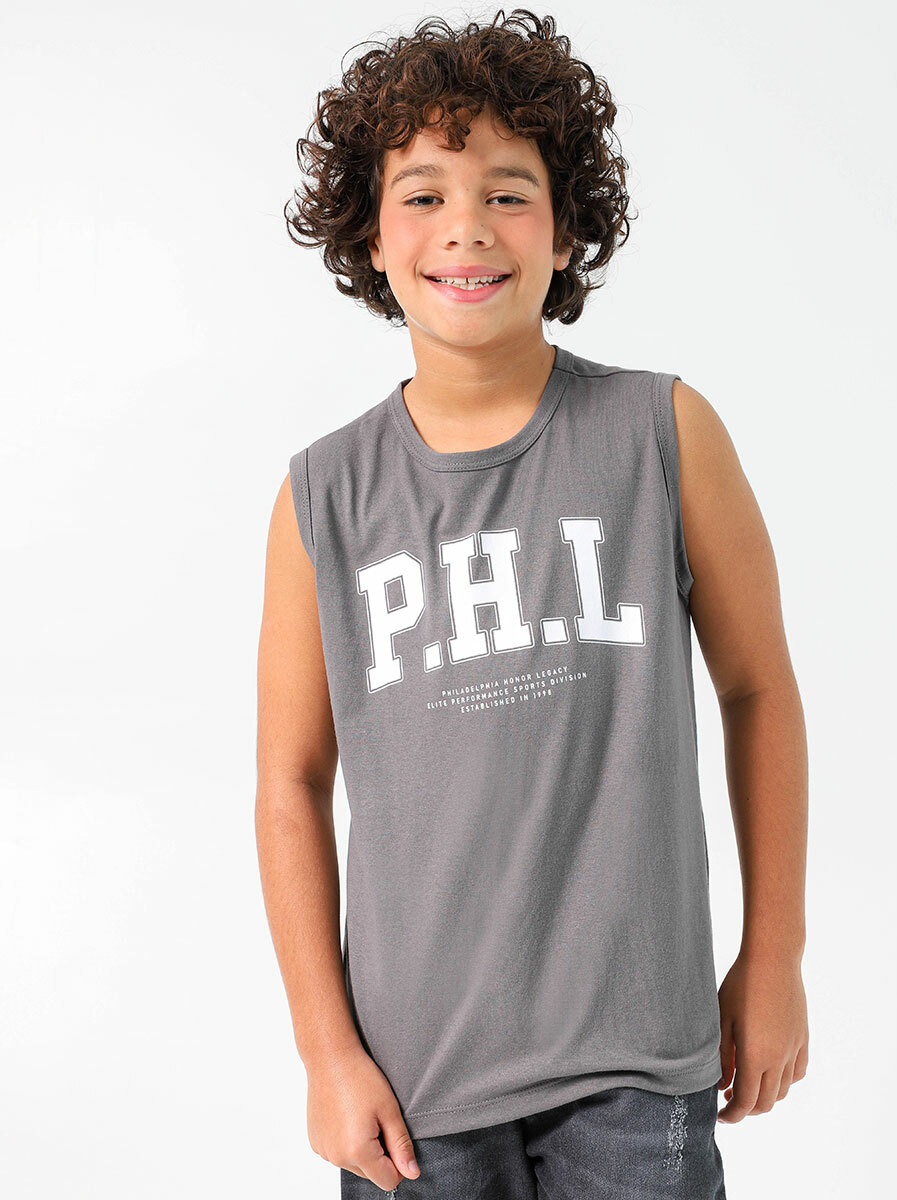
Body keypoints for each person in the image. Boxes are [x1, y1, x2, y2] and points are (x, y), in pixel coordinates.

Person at [256, 10, 808, 1198]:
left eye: (508, 193)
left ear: (565, 231)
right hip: (414, 1084)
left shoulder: (661, 432)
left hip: (635, 1059)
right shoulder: (322, 497)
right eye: (422, 195)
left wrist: (774, 957)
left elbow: (758, 690)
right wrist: (324, 1052)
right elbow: (290, 782)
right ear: (369, 235)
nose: (466, 226)